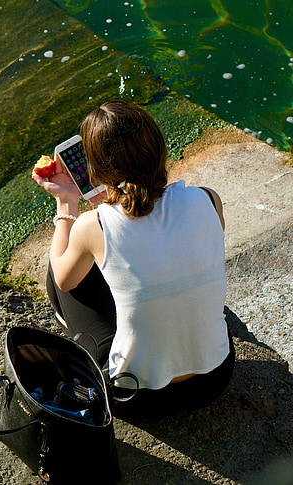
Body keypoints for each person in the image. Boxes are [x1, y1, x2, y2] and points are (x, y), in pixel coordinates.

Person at [31, 100, 234, 418]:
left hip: (137, 399)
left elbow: (64, 279)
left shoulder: (93, 225)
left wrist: (67, 203)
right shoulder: (207, 198)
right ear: (160, 150)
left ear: (97, 170)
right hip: (216, 376)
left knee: (62, 266)